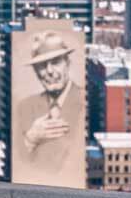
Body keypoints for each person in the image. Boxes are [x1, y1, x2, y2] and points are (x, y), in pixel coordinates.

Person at [13, 30, 84, 187]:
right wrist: (30, 139)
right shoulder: (25, 107)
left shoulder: (84, 101)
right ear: (35, 71)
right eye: (41, 66)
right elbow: (20, 160)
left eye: (56, 62)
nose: (49, 71)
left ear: (68, 63)